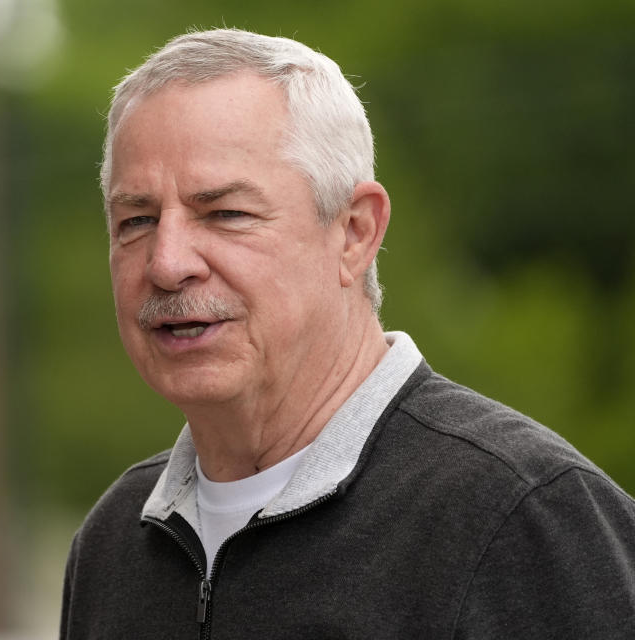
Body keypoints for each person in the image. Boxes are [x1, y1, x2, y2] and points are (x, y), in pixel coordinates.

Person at [60, 28, 635, 639]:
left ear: (355, 233)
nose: (167, 262)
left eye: (225, 213)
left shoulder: (525, 515)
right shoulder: (113, 542)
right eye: (136, 220)